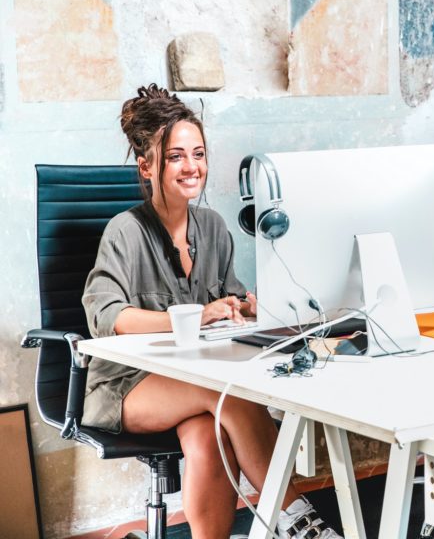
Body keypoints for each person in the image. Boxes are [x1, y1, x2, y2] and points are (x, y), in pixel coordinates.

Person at [82, 85, 340, 539]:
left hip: (194, 381)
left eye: (198, 154)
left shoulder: (214, 228)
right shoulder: (123, 231)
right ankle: (298, 518)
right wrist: (196, 315)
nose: (191, 166)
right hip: (126, 386)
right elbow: (111, 317)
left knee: (207, 433)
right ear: (147, 166)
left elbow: (230, 301)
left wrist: (248, 306)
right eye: (177, 156)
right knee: (228, 393)